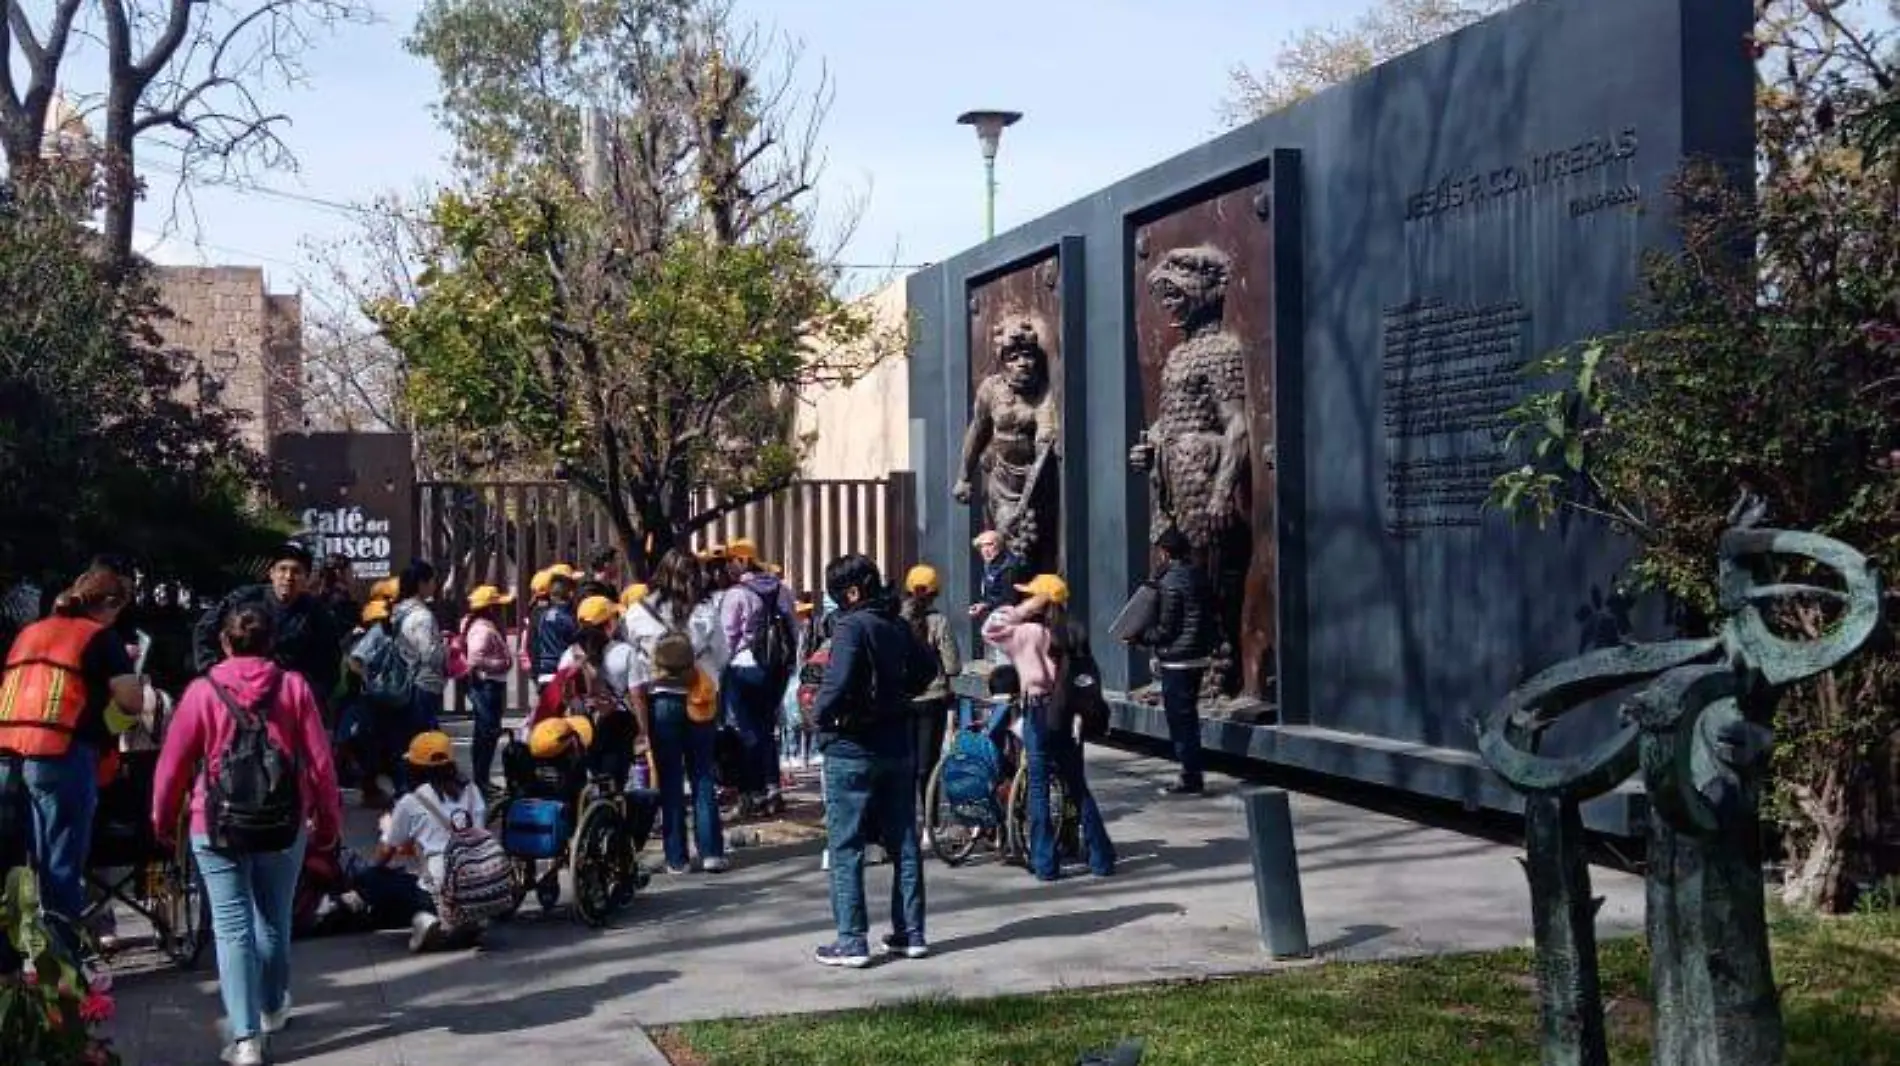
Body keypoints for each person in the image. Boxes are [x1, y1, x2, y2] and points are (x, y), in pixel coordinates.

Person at [154, 604, 342, 1066]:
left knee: (231, 927)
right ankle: (274, 1004)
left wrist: (162, 820)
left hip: (215, 823)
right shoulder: (293, 687)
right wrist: (329, 822)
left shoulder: (201, 692)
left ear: (224, 642)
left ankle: (245, 1039)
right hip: (283, 820)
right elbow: (320, 762)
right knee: (274, 919)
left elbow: (173, 765)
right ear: (271, 642)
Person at [0, 566, 149, 951]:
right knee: (60, 869)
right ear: (111, 605)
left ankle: (14, 969)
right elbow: (132, 700)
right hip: (60, 756)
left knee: (17, 870)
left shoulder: (29, 632)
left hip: (9, 754)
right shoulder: (99, 637)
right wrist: (108, 728)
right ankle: (63, 974)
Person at [809, 553, 938, 968]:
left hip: (851, 744)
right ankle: (910, 931)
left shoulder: (851, 626)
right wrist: (896, 695)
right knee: (902, 841)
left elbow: (838, 679)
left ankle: (851, 939)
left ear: (850, 592)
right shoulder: (895, 624)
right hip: (896, 740)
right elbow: (927, 668)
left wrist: (819, 716)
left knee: (846, 844)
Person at [983, 574, 1115, 883]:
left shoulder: (1026, 633)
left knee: (1039, 787)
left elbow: (990, 627)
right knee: (1077, 785)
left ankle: (1045, 862)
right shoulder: (1073, 632)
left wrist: (1027, 607)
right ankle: (1101, 857)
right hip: (1069, 715)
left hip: (1039, 710)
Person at [625, 551, 731, 873]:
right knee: (701, 775)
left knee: (669, 779)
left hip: (662, 701)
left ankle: (676, 858)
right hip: (699, 699)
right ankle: (711, 852)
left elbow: (635, 662)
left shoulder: (637, 612)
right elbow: (723, 655)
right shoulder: (704, 611)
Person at [359, 731, 488, 953]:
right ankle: (468, 919)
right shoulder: (472, 791)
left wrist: (387, 829)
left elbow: (383, 856)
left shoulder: (411, 802)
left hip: (437, 892)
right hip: (480, 888)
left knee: (370, 879)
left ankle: (427, 918)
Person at [193, 542, 343, 710]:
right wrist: (214, 674)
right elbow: (204, 630)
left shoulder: (318, 615)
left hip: (287, 705)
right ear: (271, 573)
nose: (288, 577)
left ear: (306, 577)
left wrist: (308, 698)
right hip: (235, 697)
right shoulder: (243, 599)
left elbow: (329, 666)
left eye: (296, 571)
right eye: (282, 569)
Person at [720, 538, 797, 814]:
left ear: (741, 561)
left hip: (744, 666)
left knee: (747, 731)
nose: (727, 566)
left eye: (730, 560)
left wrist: (721, 671)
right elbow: (793, 629)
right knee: (767, 729)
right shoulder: (782, 589)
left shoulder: (736, 594)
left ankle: (754, 791)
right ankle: (774, 786)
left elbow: (728, 637)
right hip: (775, 668)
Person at [1139, 528, 1216, 796]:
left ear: (1165, 552)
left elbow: (1167, 628)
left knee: (1180, 720)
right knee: (1189, 716)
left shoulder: (1170, 581)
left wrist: (1140, 636)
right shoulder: (1197, 575)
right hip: (1197, 656)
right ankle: (1191, 772)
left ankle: (1190, 776)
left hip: (1177, 659)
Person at [899, 565, 962, 844]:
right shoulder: (940, 622)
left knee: (905, 763)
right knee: (929, 763)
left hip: (902, 699)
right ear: (935, 592)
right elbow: (953, 665)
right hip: (933, 697)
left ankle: (904, 820)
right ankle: (930, 822)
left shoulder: (896, 620)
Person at [461, 585, 515, 798]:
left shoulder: (479, 624)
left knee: (485, 734)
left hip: (488, 685)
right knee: (487, 733)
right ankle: (481, 780)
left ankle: (482, 779)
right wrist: (501, 663)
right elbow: (475, 659)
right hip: (488, 686)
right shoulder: (482, 629)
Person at [391, 560, 448, 739]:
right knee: (426, 741)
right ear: (421, 584)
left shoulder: (399, 612)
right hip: (423, 684)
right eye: (432, 580)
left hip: (404, 682)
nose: (435, 585)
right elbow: (430, 655)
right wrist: (445, 648)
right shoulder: (422, 616)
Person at [532, 572, 581, 693]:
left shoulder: (543, 616)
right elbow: (577, 648)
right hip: (562, 675)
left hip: (544, 673)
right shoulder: (567, 619)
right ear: (570, 594)